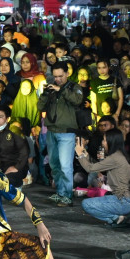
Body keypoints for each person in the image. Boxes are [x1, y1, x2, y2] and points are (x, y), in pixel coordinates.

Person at [38, 62, 84, 207]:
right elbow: (40, 106)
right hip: (52, 131)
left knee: (65, 166)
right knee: (54, 165)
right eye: (55, 76)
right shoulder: (51, 88)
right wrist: (46, 93)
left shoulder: (74, 87)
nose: (58, 79)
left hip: (66, 133)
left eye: (60, 76)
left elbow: (78, 100)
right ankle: (60, 192)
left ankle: (67, 196)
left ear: (67, 73)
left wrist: (61, 90)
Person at [75, 129, 130, 226]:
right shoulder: (118, 155)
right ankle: (123, 216)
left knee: (86, 204)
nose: (102, 143)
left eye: (105, 140)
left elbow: (90, 168)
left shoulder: (115, 158)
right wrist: (84, 152)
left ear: (112, 141)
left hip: (123, 201)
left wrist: (80, 154)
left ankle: (116, 219)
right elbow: (97, 165)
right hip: (125, 199)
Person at [0, 106, 30, 187]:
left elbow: (24, 152)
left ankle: (18, 191)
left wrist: (16, 167)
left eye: (0, 117)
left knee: (7, 181)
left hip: (16, 166)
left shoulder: (15, 131)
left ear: (8, 119)